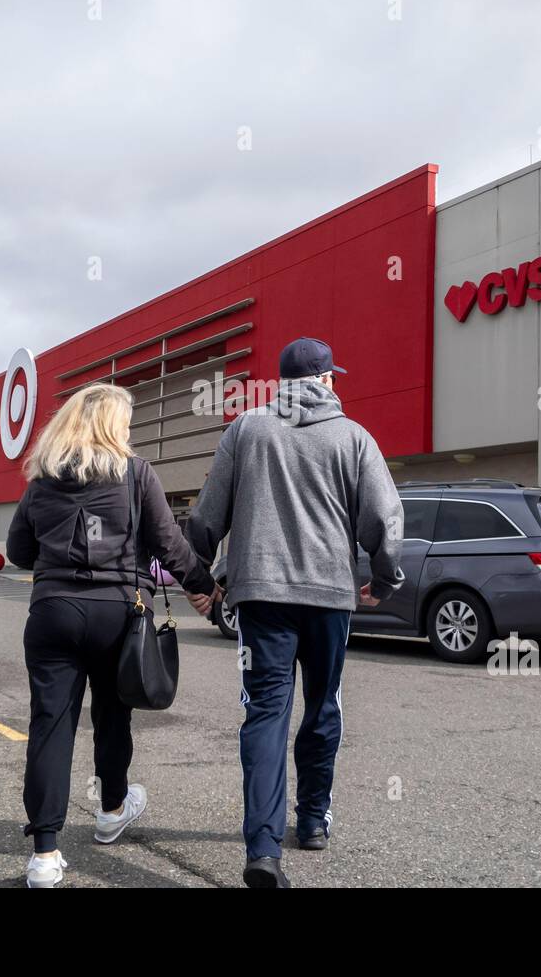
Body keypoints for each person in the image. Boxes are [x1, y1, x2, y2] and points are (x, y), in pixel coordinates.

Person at [187, 337, 404, 889]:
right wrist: (383, 578)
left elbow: (210, 513)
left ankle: (262, 847)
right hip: (329, 595)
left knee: (264, 712)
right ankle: (311, 821)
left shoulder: (247, 429)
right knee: (323, 705)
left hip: (261, 597)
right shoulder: (354, 437)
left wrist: (200, 576)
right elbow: (383, 516)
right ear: (327, 380)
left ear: (281, 382)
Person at [6, 383, 217, 889]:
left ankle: (44, 855)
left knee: (50, 725)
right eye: (124, 422)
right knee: (112, 714)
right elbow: (170, 545)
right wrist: (206, 589)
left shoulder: (42, 480)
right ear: (109, 425)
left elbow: (18, 550)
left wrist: (61, 564)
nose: (128, 431)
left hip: (53, 613)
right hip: (116, 613)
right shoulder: (136, 473)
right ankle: (111, 808)